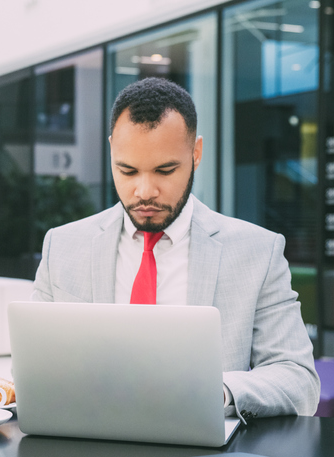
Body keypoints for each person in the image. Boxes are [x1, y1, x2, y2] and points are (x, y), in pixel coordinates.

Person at [32, 77, 320, 422]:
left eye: (165, 170)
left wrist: (219, 392)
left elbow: (298, 378)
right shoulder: (62, 246)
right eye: (127, 170)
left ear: (195, 153)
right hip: (84, 444)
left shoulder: (258, 252)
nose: (144, 191)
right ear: (111, 151)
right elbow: (33, 367)